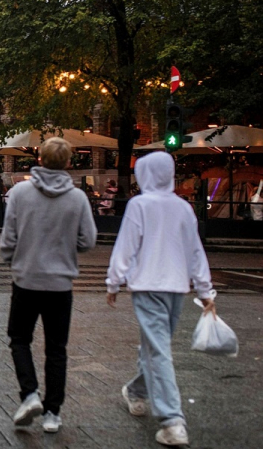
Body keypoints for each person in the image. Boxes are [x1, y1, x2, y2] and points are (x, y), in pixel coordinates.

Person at [105, 151, 214, 447]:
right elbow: (195, 251)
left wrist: (113, 282)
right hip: (176, 288)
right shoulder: (183, 208)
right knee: (158, 346)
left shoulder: (139, 205)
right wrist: (205, 291)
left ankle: (163, 413)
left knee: (157, 348)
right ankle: (163, 412)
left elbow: (125, 246)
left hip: (147, 286)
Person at [0, 137, 97, 434]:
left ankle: (29, 394)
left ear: (39, 159)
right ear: (69, 162)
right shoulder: (78, 197)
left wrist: (13, 258)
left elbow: (8, 239)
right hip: (60, 285)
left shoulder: (20, 192)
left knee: (19, 339)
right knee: (57, 348)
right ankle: (53, 413)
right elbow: (88, 240)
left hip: (26, 279)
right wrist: (66, 249)